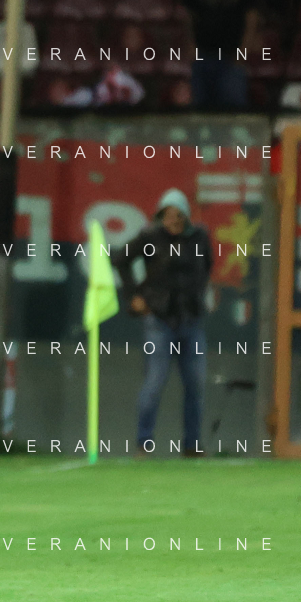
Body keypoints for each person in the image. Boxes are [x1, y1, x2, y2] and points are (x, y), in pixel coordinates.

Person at [111, 189, 214, 457]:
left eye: (178, 215)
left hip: (191, 319)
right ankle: (144, 442)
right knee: (154, 382)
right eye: (168, 216)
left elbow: (207, 266)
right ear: (160, 216)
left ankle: (191, 444)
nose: (173, 221)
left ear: (186, 216)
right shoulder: (150, 237)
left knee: (196, 384)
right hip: (160, 320)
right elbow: (120, 260)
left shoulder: (199, 237)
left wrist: (199, 294)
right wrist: (134, 295)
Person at [181, 0, 262, 110]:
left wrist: (243, 52)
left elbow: (251, 21)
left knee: (232, 110)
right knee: (199, 109)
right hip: (202, 56)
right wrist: (191, 44)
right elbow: (188, 17)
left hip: (231, 58)